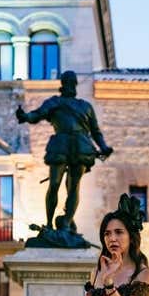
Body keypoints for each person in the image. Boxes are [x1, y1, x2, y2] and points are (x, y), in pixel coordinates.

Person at [16, 70, 113, 233]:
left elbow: (95, 131)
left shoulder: (85, 106)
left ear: (75, 84)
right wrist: (25, 116)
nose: (69, 85)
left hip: (81, 146)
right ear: (62, 84)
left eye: (72, 82)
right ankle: (49, 223)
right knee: (54, 184)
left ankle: (67, 223)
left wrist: (103, 147)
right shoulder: (54, 102)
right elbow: (38, 114)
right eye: (67, 82)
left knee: (74, 187)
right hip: (60, 145)